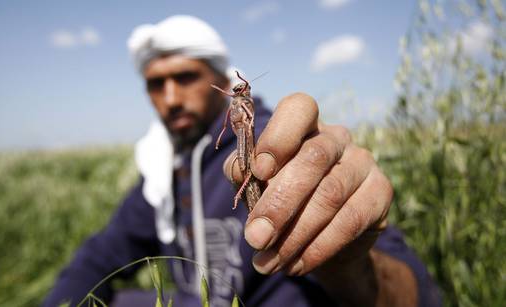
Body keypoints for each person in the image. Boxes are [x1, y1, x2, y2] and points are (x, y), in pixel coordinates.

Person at [44, 15, 440, 307]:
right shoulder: (163, 166)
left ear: (221, 80)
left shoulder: (283, 139)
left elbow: (414, 296)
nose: (171, 97)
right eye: (155, 84)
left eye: (185, 77)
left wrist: (349, 264)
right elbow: (101, 256)